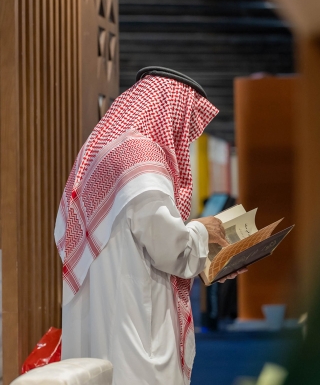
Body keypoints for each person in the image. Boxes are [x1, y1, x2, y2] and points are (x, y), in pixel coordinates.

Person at [54, 68, 244, 384]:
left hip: (103, 315)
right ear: (172, 111)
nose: (185, 135)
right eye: (185, 123)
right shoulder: (141, 156)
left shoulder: (103, 151)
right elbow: (171, 249)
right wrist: (203, 229)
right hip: (135, 325)